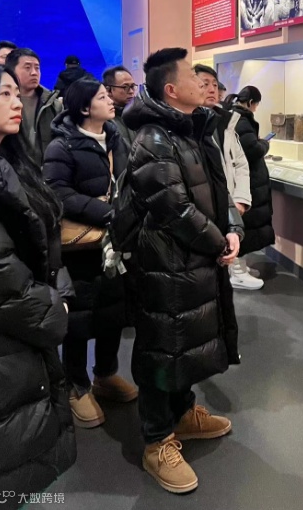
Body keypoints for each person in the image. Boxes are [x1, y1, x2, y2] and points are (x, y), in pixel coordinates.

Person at [113, 48, 244, 494]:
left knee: (186, 341)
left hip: (194, 259)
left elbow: (220, 189)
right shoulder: (153, 138)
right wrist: (218, 241)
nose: (203, 82)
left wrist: (232, 230)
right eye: (192, 76)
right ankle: (156, 441)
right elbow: (174, 209)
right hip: (165, 264)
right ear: (171, 89)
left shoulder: (194, 129)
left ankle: (183, 412)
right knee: (162, 348)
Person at [0, 63, 76, 496]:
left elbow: (44, 239)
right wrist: (55, 310)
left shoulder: (13, 158)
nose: (16, 102)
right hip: (5, 332)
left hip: (26, 328)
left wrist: (60, 292)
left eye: (15, 93)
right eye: (3, 94)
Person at [43, 78, 135, 429]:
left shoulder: (115, 137)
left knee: (113, 311)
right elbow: (58, 193)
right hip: (81, 248)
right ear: (84, 107)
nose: (110, 100)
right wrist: (106, 211)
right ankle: (76, 385)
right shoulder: (62, 144)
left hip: (115, 244)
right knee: (79, 319)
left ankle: (106, 375)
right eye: (102, 96)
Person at [194, 65, 260, 290]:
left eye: (214, 84)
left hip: (229, 201)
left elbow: (240, 163)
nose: (212, 89)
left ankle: (236, 273)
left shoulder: (226, 123)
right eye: (205, 84)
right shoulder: (189, 126)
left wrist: (240, 199)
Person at [225, 86, 275, 286]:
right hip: (247, 182)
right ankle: (238, 271)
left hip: (247, 180)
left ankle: (240, 268)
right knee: (245, 225)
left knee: (245, 225)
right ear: (251, 102)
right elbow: (251, 150)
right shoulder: (241, 120)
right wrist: (265, 144)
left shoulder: (234, 117)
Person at [5, 48, 62, 166]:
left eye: (37, 68)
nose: (34, 73)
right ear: (11, 71)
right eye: (27, 68)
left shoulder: (53, 104)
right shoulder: (2, 103)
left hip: (47, 169)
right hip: (13, 168)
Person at [103, 65, 138, 151]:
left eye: (132, 86)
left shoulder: (137, 115)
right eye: (125, 87)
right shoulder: (104, 120)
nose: (131, 91)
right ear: (108, 90)